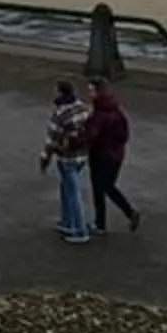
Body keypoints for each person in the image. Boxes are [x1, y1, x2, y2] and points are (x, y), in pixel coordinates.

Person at [85, 78, 139, 234]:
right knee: (106, 187)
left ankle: (104, 222)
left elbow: (90, 135)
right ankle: (118, 217)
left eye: (91, 90)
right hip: (115, 155)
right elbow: (124, 134)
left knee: (101, 188)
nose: (89, 94)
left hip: (101, 155)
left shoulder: (100, 113)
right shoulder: (116, 111)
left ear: (97, 92)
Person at [41, 81, 91, 241]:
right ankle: (67, 221)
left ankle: (79, 229)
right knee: (68, 188)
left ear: (60, 92)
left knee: (72, 192)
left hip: (66, 157)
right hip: (83, 155)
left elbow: (51, 139)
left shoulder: (60, 114)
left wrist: (44, 159)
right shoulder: (84, 108)